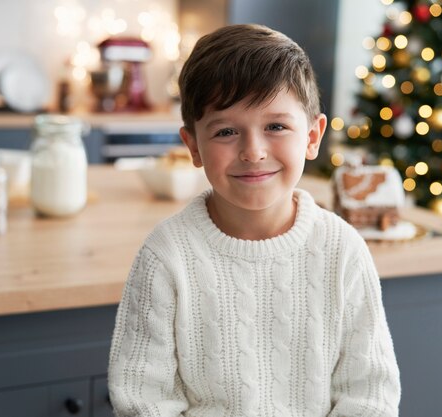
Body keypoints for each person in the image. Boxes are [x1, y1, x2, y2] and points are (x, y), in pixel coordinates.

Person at [108, 24, 400, 417]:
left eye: (276, 126)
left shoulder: (342, 250)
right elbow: (142, 399)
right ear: (193, 145)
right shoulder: (166, 256)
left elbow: (370, 395)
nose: (253, 151)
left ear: (313, 136)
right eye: (226, 131)